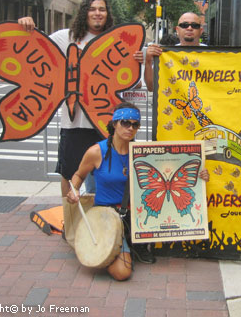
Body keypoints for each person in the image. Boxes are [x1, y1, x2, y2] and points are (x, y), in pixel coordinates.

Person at [18, 0, 145, 251]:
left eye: (102, 10)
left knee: (103, 178)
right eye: (93, 9)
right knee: (69, 173)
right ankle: (71, 220)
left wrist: (141, 62)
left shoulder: (117, 42)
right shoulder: (65, 37)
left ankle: (105, 221)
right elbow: (36, 47)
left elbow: (137, 84)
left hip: (106, 124)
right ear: (85, 12)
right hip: (73, 123)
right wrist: (26, 25)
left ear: (108, 15)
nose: (98, 13)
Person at [66, 102, 209, 280]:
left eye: (135, 124)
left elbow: (173, 171)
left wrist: (199, 174)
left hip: (136, 214)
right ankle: (122, 245)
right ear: (114, 124)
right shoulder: (97, 151)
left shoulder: (144, 153)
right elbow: (78, 175)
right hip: (107, 215)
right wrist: (74, 190)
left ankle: (132, 242)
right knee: (122, 273)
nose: (130, 128)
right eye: (125, 122)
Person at [143, 12, 206, 91]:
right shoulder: (165, 55)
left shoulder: (213, 56)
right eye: (184, 25)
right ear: (177, 30)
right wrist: (148, 61)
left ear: (201, 30)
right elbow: (151, 87)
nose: (189, 28)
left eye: (194, 25)